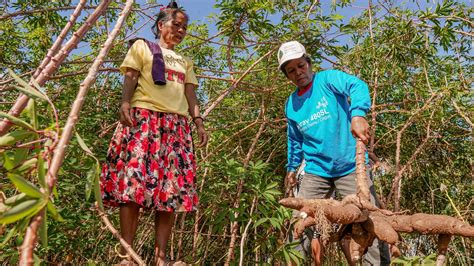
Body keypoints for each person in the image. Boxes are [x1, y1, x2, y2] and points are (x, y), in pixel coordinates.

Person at [100, 1, 208, 265]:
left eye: (185, 27)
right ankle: (128, 255)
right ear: (161, 25)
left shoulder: (186, 61)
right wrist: (125, 103)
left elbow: (190, 94)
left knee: (171, 192)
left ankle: (161, 258)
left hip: (176, 128)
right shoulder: (142, 47)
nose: (181, 30)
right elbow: (131, 77)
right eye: (176, 24)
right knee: (132, 186)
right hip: (144, 120)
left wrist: (199, 122)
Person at [278, 41, 390, 265]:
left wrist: (358, 114)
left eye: (301, 65)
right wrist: (291, 168)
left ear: (309, 64)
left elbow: (357, 86)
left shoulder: (328, 80)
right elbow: (295, 139)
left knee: (369, 220)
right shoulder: (291, 104)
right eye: (291, 70)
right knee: (299, 220)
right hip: (316, 171)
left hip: (349, 166)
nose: (298, 72)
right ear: (287, 76)